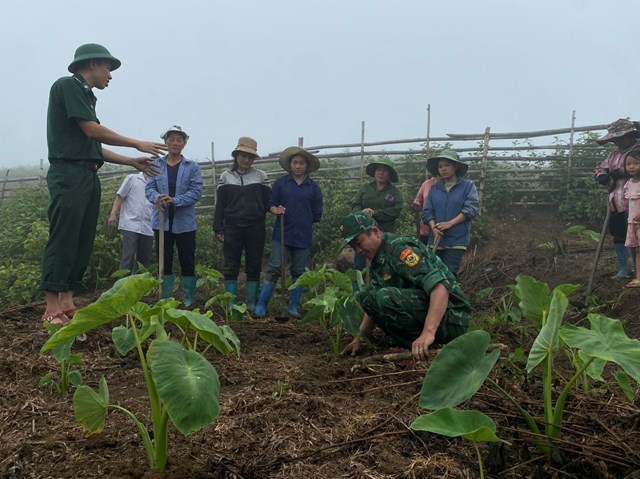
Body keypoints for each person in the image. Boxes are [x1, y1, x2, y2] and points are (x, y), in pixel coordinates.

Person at [41, 43, 166, 325]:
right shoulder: (68, 86)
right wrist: (136, 142)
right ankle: (51, 308)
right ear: (92, 64)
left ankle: (67, 300)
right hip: (69, 173)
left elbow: (93, 146)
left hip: (87, 172)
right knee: (63, 236)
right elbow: (93, 131)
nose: (110, 75)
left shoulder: (86, 98)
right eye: (108, 68)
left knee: (81, 238)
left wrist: (132, 161)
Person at [341, 212, 471, 359]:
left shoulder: (400, 248)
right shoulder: (378, 257)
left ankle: (421, 345)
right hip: (424, 310)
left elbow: (440, 287)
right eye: (353, 247)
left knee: (385, 296)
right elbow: (373, 303)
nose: (358, 251)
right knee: (366, 295)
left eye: (359, 243)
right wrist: (360, 338)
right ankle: (407, 344)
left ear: (375, 232)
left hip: (452, 318)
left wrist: (427, 333)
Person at [255, 147, 323, 318]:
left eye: (301, 163)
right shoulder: (281, 184)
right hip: (282, 234)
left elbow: (317, 212)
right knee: (274, 268)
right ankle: (261, 306)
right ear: (290, 165)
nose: (298, 166)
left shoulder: (313, 188)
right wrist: (275, 210)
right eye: (295, 163)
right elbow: (270, 203)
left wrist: (304, 219)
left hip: (303, 236)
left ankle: (293, 307)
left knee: (299, 272)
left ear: (306, 166)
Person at [145, 125, 202, 307]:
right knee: (164, 260)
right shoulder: (156, 165)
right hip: (161, 223)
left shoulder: (191, 167)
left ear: (184, 144)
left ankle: (188, 300)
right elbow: (149, 188)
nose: (175, 143)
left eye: (179, 140)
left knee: (187, 260)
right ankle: (165, 298)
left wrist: (175, 200)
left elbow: (196, 192)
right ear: (166, 142)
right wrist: (157, 198)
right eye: (172, 139)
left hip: (185, 223)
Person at [213, 137, 271, 313]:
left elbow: (269, 202)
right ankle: (231, 304)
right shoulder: (226, 177)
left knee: (254, 263)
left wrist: (276, 209)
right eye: (243, 156)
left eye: (250, 157)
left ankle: (252, 303)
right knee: (231, 264)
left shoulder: (261, 176)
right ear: (236, 156)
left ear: (254, 159)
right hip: (232, 226)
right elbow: (220, 205)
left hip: (256, 226)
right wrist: (218, 228)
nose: (246, 160)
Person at [594, 118, 640, 279]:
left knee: (636, 236)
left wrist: (617, 173)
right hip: (616, 202)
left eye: (619, 138)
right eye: (614, 139)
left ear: (630, 135)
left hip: (635, 203)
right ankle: (624, 268)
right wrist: (602, 176)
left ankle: (638, 270)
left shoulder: (638, 150)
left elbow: (632, 169)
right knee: (619, 235)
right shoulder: (614, 154)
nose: (616, 141)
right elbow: (600, 168)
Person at [421, 150, 480, 277]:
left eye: (447, 165)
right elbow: (427, 211)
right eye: (440, 166)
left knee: (450, 275)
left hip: (456, 239)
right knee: (434, 275)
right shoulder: (434, 188)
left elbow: (471, 208)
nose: (443, 169)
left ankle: (450, 297)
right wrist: (434, 228)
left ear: (455, 166)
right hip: (436, 238)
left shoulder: (467, 186)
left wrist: (450, 223)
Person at [351, 157, 403, 270]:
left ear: (390, 174)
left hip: (383, 235)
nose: (381, 173)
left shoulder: (394, 192)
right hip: (364, 234)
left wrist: (375, 213)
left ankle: (380, 287)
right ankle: (359, 287)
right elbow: (355, 204)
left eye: (385, 171)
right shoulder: (366, 188)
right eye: (379, 170)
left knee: (382, 266)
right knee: (359, 266)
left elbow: (396, 210)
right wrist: (362, 213)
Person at [108, 172, 154, 272]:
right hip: (131, 223)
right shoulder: (132, 179)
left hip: (148, 226)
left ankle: (139, 284)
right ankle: (123, 285)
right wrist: (113, 213)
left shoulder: (156, 183)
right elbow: (120, 196)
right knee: (128, 255)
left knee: (144, 260)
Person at [623, 149, 640, 288]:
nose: (632, 166)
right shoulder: (629, 183)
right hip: (634, 223)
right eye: (628, 164)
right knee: (638, 250)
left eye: (636, 163)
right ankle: (638, 278)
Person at [411, 174, 439, 245]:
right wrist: (415, 206)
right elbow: (418, 202)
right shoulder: (427, 184)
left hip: (444, 229)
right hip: (425, 230)